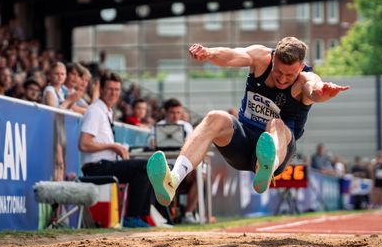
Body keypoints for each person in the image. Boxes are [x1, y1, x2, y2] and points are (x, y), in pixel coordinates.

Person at [147, 37, 349, 208]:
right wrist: (209, 53)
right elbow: (233, 55)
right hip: (243, 143)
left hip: (280, 149)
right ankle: (172, 180)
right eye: (278, 71)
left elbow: (314, 90)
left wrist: (324, 93)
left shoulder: (305, 78)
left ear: (301, 68)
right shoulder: (261, 58)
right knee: (215, 117)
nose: (283, 79)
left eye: (290, 75)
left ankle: (267, 166)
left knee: (275, 124)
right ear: (273, 58)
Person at [78, 71, 152, 228]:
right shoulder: (94, 111)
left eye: (117, 90)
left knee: (145, 169)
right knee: (145, 166)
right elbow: (84, 144)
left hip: (106, 164)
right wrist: (113, 146)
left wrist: (117, 147)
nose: (114, 93)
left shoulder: (107, 112)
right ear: (102, 90)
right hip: (96, 168)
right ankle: (132, 217)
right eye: (110, 89)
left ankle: (139, 216)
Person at [153, 98, 198, 224]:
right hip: (165, 167)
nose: (175, 116)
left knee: (200, 176)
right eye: (172, 112)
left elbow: (193, 147)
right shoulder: (158, 126)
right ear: (165, 112)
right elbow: (151, 145)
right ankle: (163, 215)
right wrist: (153, 142)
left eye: (178, 113)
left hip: (183, 168)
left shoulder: (187, 126)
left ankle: (188, 214)